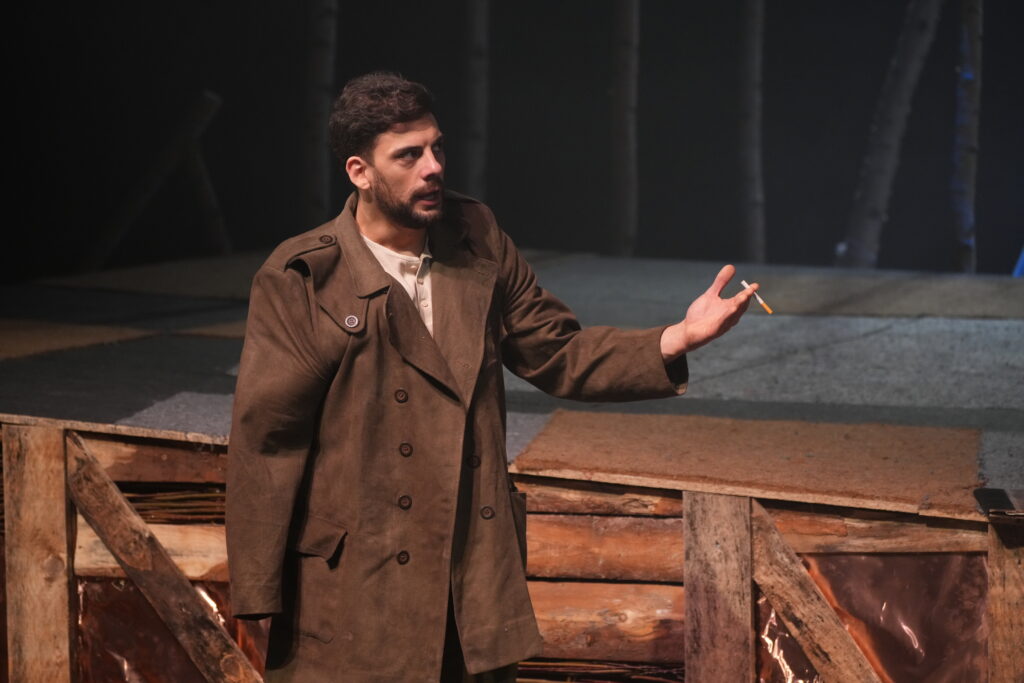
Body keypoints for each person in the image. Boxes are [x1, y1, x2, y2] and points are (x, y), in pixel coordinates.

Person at [226, 72, 758, 683]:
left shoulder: (475, 238)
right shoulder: (304, 274)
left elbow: (557, 351)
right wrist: (258, 593)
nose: (434, 167)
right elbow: (268, 439)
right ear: (359, 172)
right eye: (409, 155)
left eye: (437, 148)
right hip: (354, 587)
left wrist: (678, 337)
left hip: (467, 576)